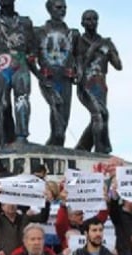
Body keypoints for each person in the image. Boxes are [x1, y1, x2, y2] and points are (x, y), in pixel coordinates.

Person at [0, 0, 39, 145]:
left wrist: (33, 59)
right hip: (1, 62)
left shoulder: (25, 22)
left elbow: (33, 46)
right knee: (3, 104)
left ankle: (22, 136)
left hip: (20, 61)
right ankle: (6, 139)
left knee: (22, 99)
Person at [74, 9, 122, 154]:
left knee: (102, 115)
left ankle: (83, 146)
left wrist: (111, 50)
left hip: (100, 85)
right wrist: (93, 48)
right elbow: (79, 64)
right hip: (85, 84)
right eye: (88, 19)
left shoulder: (105, 42)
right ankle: (101, 149)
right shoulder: (79, 41)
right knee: (99, 114)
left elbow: (118, 66)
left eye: (94, 19)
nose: (91, 22)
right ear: (82, 23)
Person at [35, 0, 79, 146]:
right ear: (49, 9)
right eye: (59, 7)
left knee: (64, 117)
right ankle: (56, 141)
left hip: (66, 78)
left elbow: (78, 56)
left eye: (64, 7)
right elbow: (29, 57)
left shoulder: (73, 33)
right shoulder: (39, 32)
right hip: (48, 77)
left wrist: (79, 70)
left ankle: (54, 145)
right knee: (56, 107)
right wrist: (40, 76)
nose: (62, 10)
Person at [0, 183, 52, 255]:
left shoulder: (24, 217)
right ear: (2, 206)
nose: (11, 205)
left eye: (14, 202)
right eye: (8, 203)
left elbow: (42, 218)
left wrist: (46, 202)